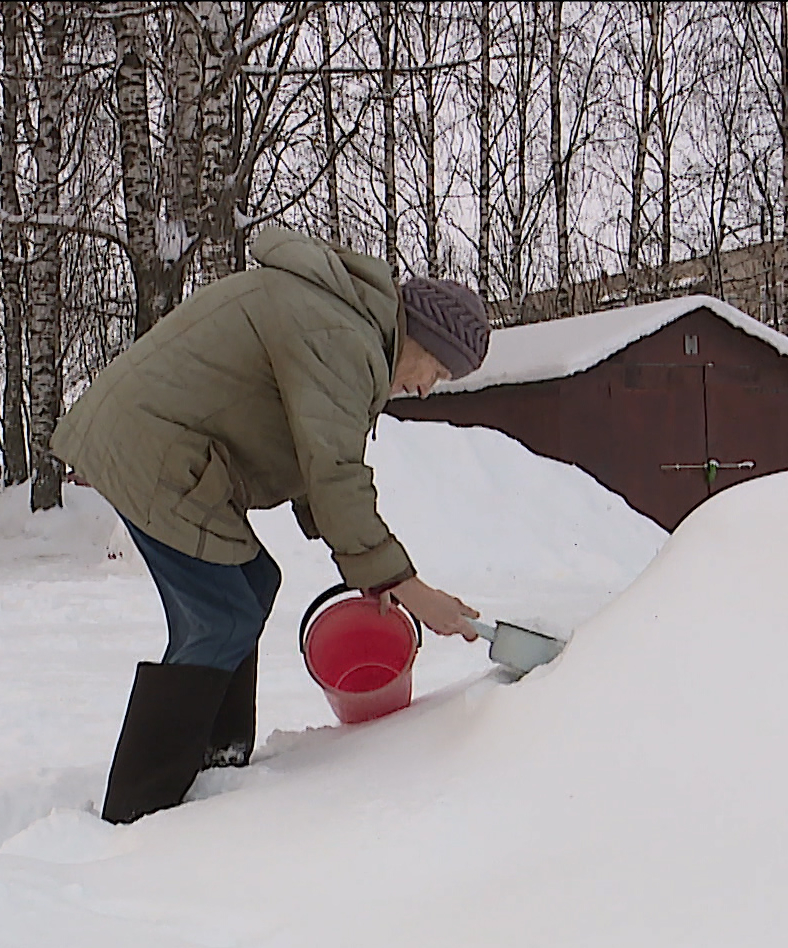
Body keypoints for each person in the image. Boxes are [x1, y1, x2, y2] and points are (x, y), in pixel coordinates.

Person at [51, 227, 492, 824]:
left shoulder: (348, 328)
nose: (422, 387)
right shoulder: (343, 338)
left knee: (250, 585)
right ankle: (141, 808)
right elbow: (336, 475)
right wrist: (408, 589)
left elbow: (315, 462)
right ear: (419, 336)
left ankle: (218, 765)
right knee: (221, 615)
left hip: (171, 451)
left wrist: (373, 574)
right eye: (434, 371)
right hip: (153, 450)